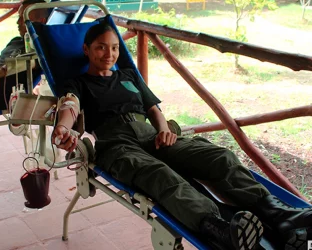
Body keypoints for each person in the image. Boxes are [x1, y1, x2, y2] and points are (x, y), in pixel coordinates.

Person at [51, 22, 312, 250]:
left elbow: (152, 108)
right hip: (117, 145)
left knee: (219, 157)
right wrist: (63, 127)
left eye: (115, 47)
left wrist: (164, 129)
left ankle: (277, 214)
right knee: (161, 175)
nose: (109, 54)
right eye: (100, 47)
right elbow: (69, 106)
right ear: (86, 49)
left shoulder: (128, 75)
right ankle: (219, 229)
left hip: (153, 136)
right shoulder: (78, 83)